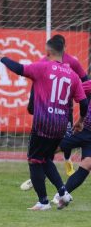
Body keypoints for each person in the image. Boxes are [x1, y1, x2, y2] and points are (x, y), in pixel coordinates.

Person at [0, 37, 88, 210]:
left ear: (48, 52)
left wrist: (2, 57)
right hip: (61, 125)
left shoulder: (43, 67)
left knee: (34, 160)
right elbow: (84, 102)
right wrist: (80, 120)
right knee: (45, 158)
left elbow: (19, 69)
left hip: (43, 123)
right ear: (63, 51)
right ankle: (63, 192)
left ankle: (43, 202)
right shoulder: (73, 75)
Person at [20, 34, 89, 191]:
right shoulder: (45, 61)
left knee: (61, 142)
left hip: (66, 110)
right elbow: (35, 82)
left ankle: (61, 163)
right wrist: (32, 105)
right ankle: (42, 172)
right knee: (50, 147)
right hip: (49, 110)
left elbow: (85, 81)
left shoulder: (73, 62)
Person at [50, 80, 91, 209]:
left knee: (87, 164)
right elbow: (73, 90)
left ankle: (61, 194)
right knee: (51, 149)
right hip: (82, 129)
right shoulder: (89, 85)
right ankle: (37, 174)